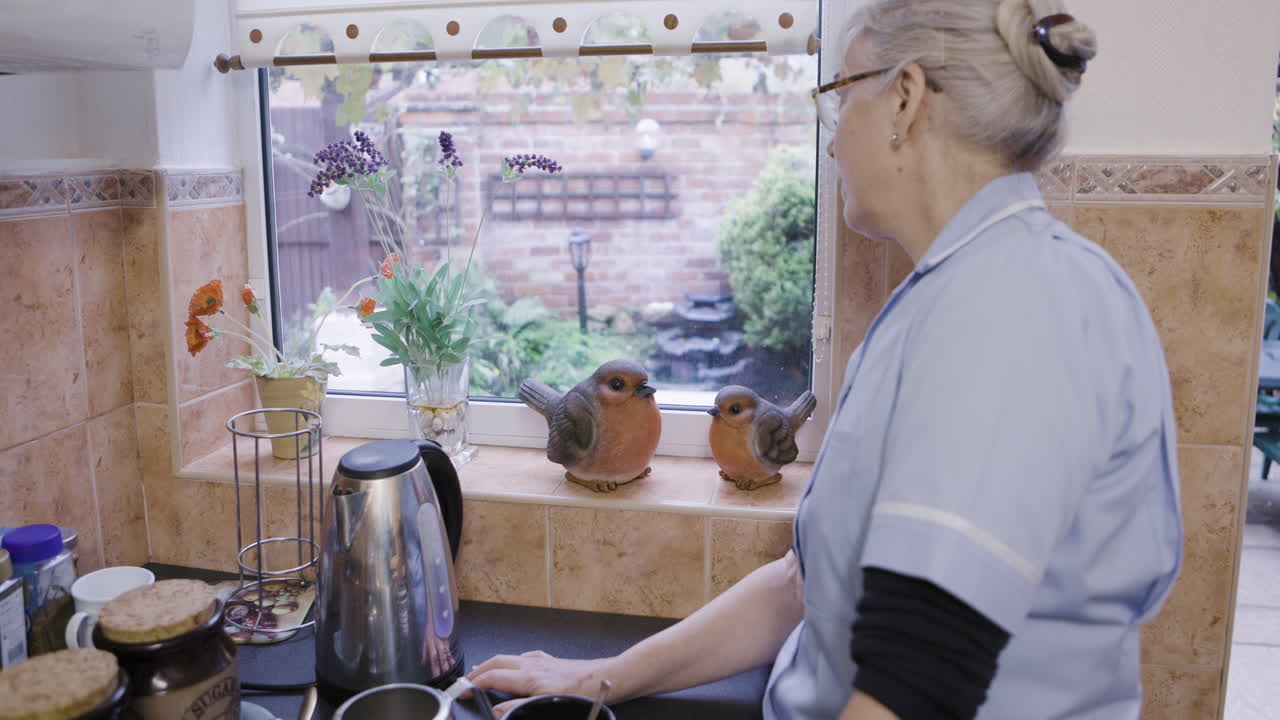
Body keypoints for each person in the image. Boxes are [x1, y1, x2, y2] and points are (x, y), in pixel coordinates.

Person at [469, 1, 1184, 718]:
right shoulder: (956, 292)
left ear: (904, 99)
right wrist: (598, 678)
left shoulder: (1012, 306)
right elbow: (805, 588)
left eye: (840, 96)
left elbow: (915, 685)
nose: (834, 142)